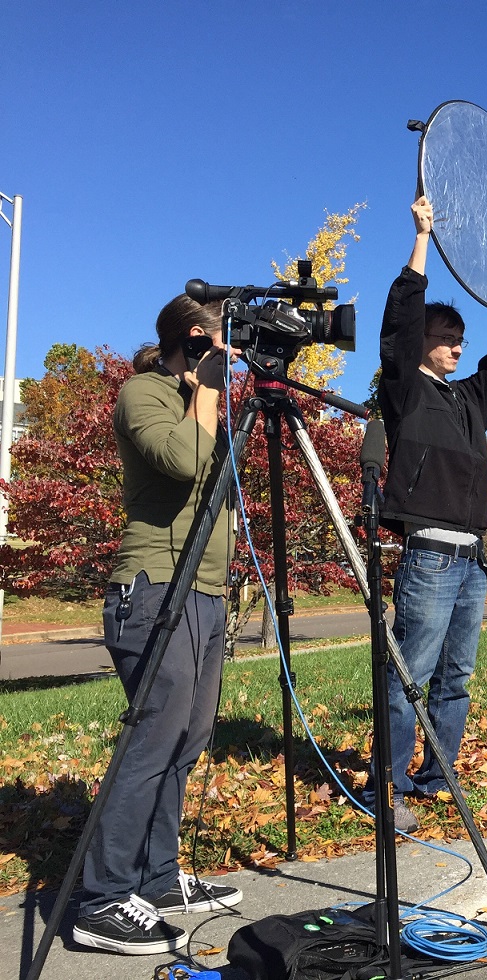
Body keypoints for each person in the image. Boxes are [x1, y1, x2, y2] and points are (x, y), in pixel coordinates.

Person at [372, 195, 487, 834]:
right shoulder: (404, 390)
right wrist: (421, 240)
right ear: (422, 347)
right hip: (427, 556)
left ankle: (438, 776)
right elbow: (397, 324)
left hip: (472, 562)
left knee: (455, 680)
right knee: (409, 677)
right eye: (445, 339)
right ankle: (389, 788)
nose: (456, 348)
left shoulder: (472, 401)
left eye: (459, 340)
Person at [74, 295, 244, 955]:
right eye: (228, 337)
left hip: (203, 594)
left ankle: (156, 878)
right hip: (150, 591)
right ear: (198, 338)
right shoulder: (142, 392)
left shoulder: (206, 405)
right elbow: (180, 462)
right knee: (154, 738)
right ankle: (102, 901)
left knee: (188, 738)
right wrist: (204, 387)